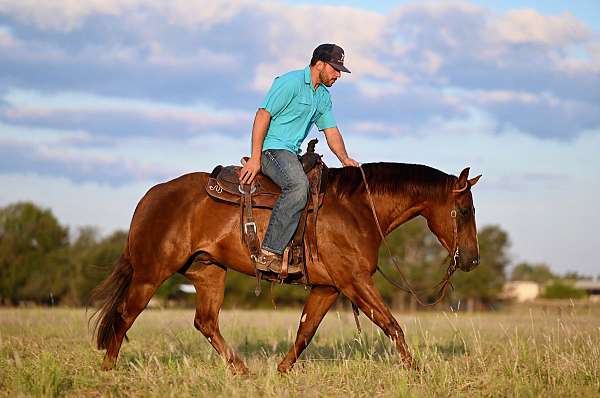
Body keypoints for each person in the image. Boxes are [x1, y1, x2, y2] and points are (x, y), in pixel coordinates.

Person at [239, 43, 359, 275]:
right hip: (272, 150)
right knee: (297, 186)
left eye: (340, 71)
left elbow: (331, 131)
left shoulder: (323, 96)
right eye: (335, 69)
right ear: (319, 64)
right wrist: (255, 158)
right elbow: (263, 115)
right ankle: (268, 253)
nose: (338, 75)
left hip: (292, 154)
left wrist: (345, 159)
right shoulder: (290, 82)